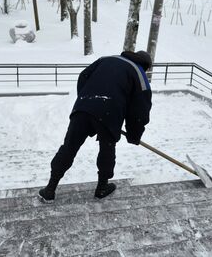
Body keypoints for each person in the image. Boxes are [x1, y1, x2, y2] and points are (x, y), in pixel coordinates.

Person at [39, 51, 153, 202]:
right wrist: (134, 134)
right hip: (109, 112)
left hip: (83, 107)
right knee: (107, 148)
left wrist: (86, 100)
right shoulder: (139, 73)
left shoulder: (106, 59)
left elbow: (84, 76)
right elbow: (140, 111)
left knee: (69, 147)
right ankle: (102, 188)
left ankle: (50, 189)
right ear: (145, 66)